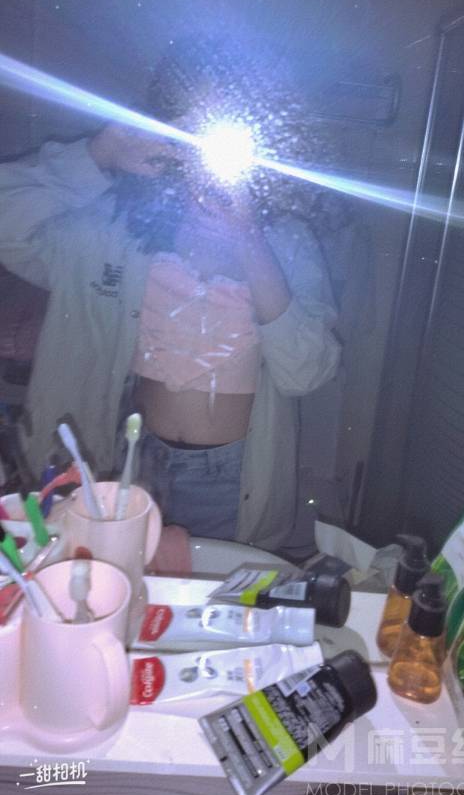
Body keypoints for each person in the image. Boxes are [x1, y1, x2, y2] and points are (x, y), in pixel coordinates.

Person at [0, 35, 341, 550]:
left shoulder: (288, 242)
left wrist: (249, 238)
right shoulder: (111, 225)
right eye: (191, 125)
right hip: (128, 463)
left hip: (237, 480)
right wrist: (101, 153)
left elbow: (306, 373)